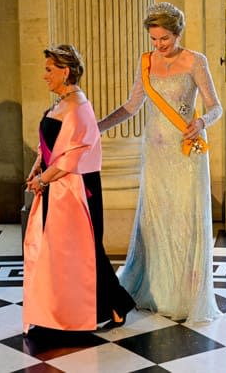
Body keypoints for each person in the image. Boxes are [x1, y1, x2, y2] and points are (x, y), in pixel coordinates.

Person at [98, 2, 223, 323]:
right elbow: (130, 107)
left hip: (186, 155)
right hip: (154, 156)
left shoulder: (196, 62)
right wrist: (96, 127)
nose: (158, 45)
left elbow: (215, 107)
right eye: (154, 39)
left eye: (164, 39)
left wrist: (202, 122)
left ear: (178, 33)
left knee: (184, 220)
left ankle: (183, 295)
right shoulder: (146, 62)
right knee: (156, 220)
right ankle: (154, 290)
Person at [23, 44, 135, 334]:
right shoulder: (60, 103)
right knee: (61, 250)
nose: (44, 75)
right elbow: (50, 144)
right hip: (56, 185)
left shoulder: (77, 106)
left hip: (76, 189)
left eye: (49, 70)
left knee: (87, 251)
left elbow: (73, 157)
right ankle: (59, 310)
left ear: (66, 71)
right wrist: (38, 166)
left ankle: (116, 305)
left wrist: (43, 180)